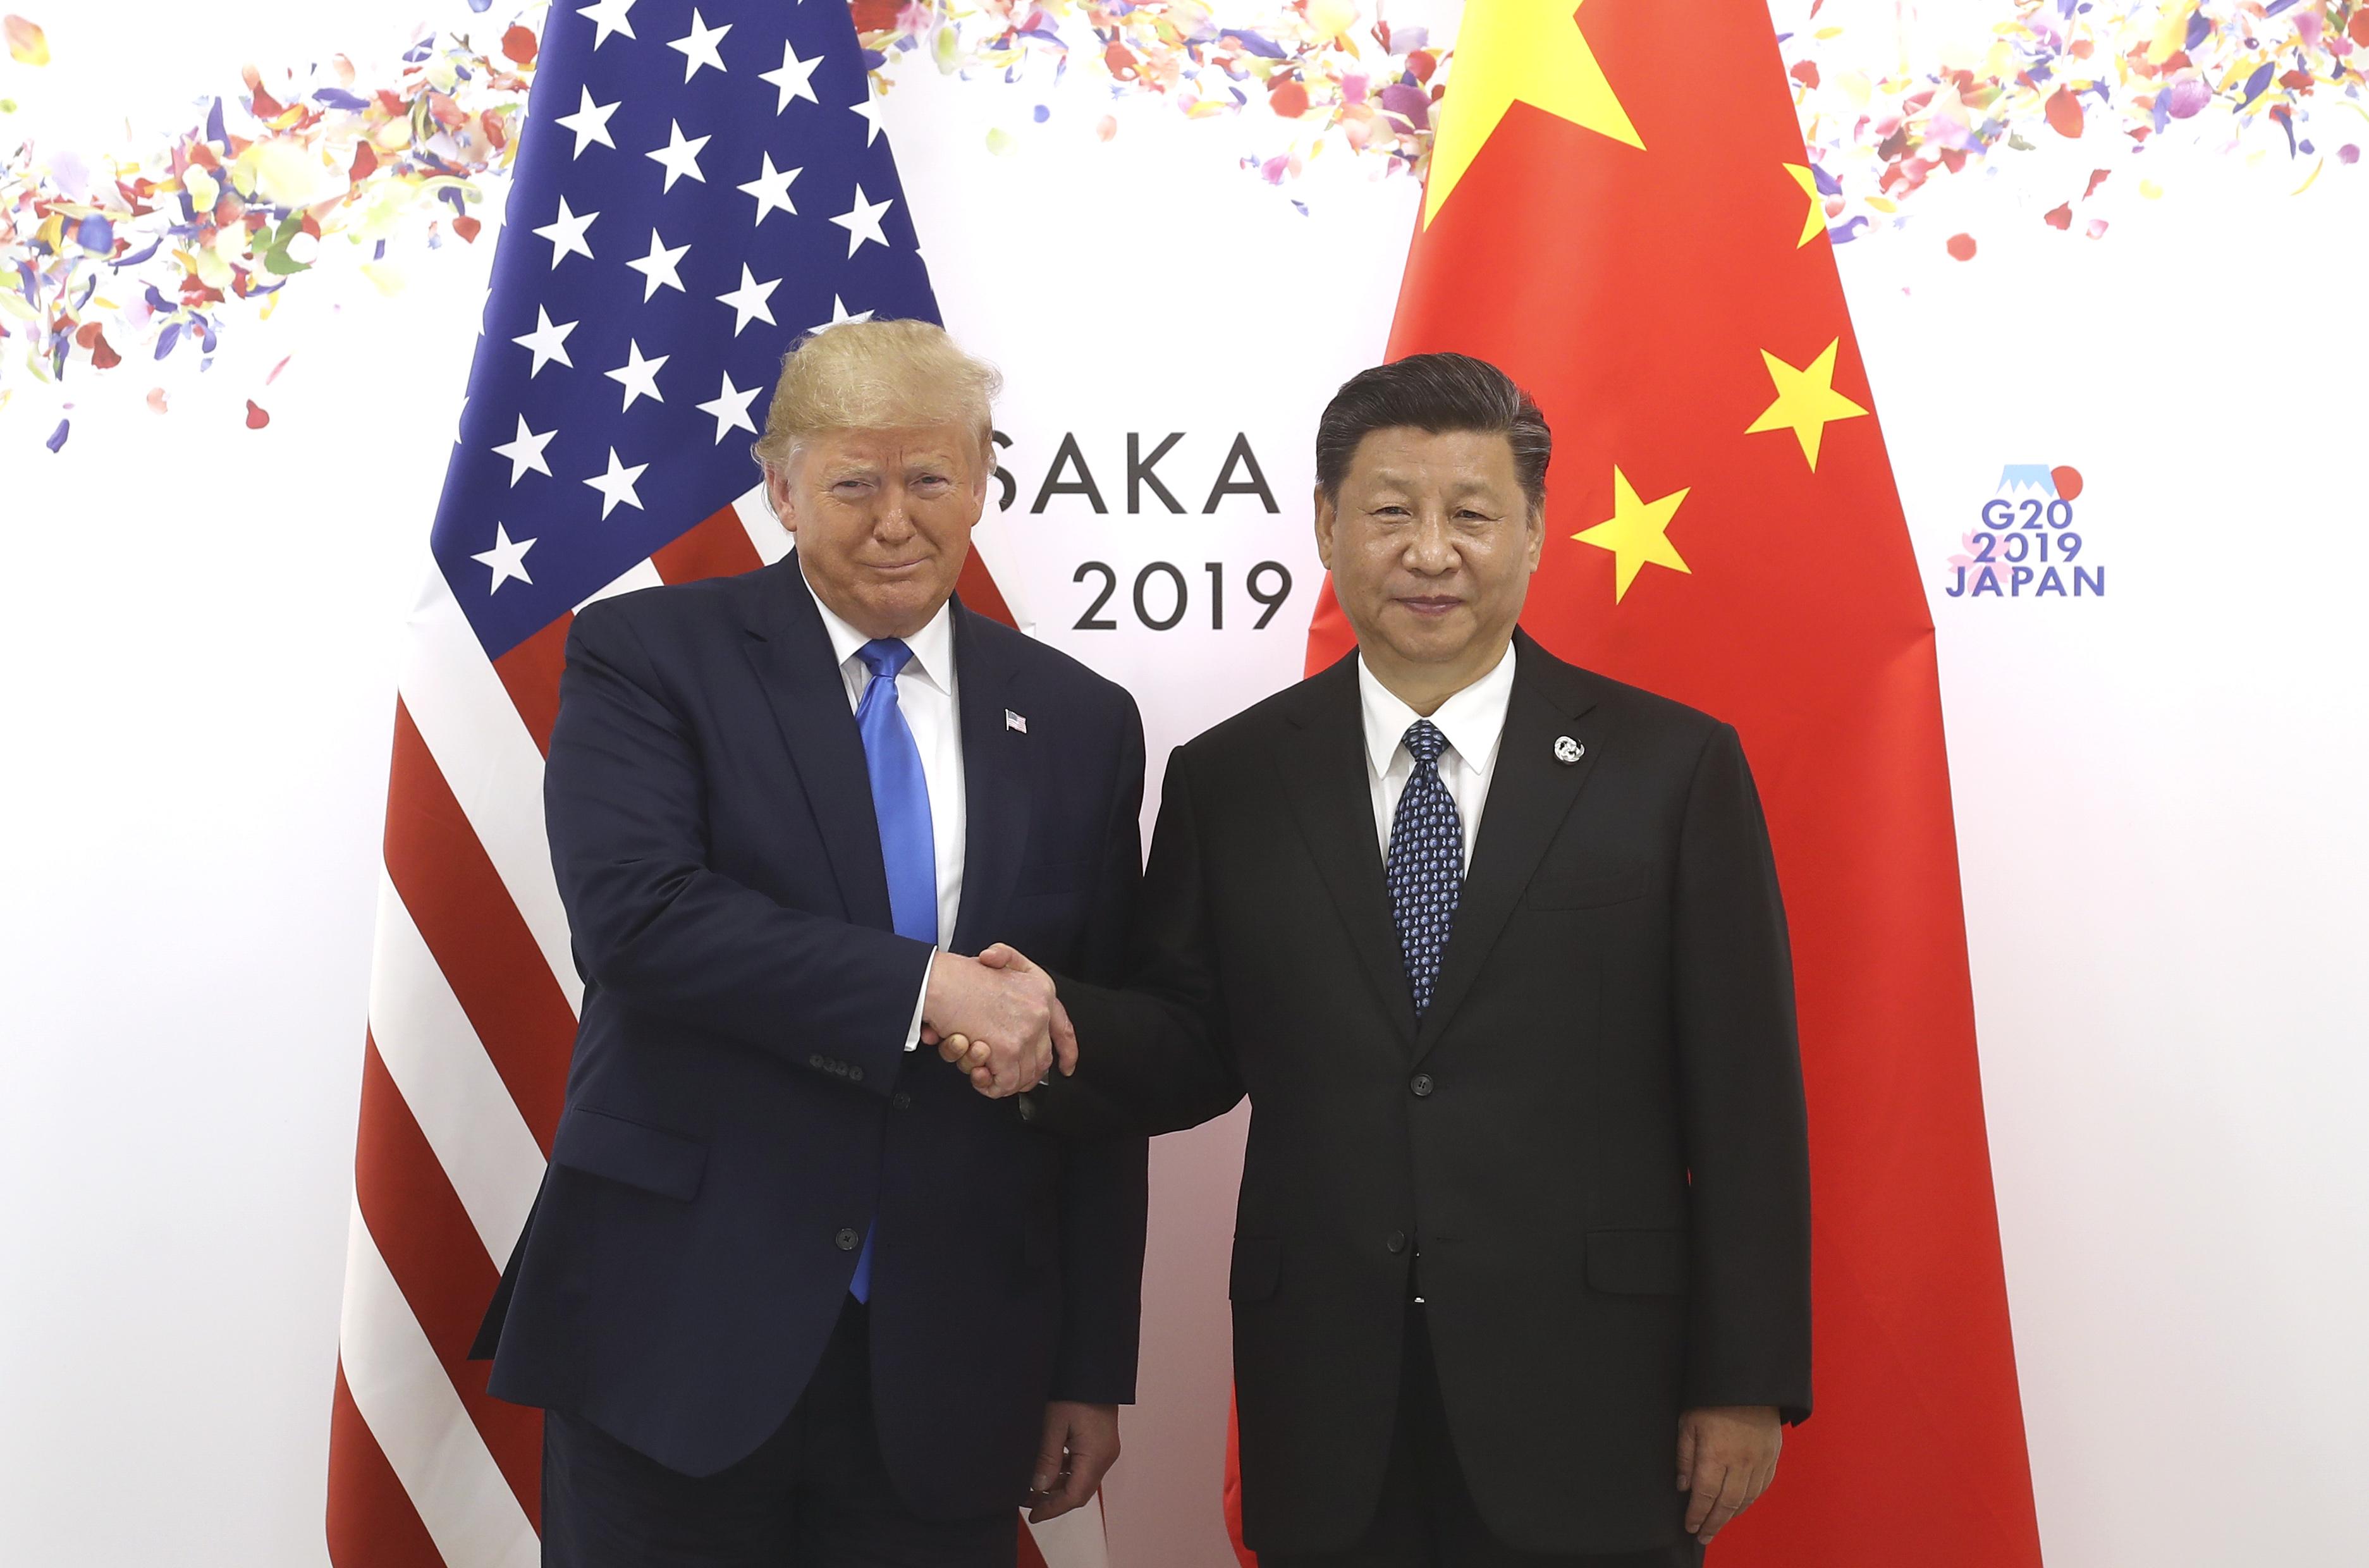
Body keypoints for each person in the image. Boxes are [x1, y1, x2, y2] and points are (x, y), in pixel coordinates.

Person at [952, 353, 1812, 1566]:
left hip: (1597, 1395)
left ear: (1534, 530)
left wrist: (1748, 1377)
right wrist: (1052, 1026)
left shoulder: (1670, 771)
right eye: (1392, 510)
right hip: (1332, 1393)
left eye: (1471, 514)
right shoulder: (1231, 779)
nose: (1431, 551)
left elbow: (1746, 1100)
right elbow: (1195, 1044)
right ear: (1325, 523)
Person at [472, 319, 1150, 1567]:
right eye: (854, 482)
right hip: (677, 1336)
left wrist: (1087, 1364)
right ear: (782, 488)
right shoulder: (648, 655)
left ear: (981, 482)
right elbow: (638, 919)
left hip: (951, 1366)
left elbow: (1081, 1058)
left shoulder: (1078, 721)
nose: (895, 518)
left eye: (930, 477)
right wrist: (927, 987)